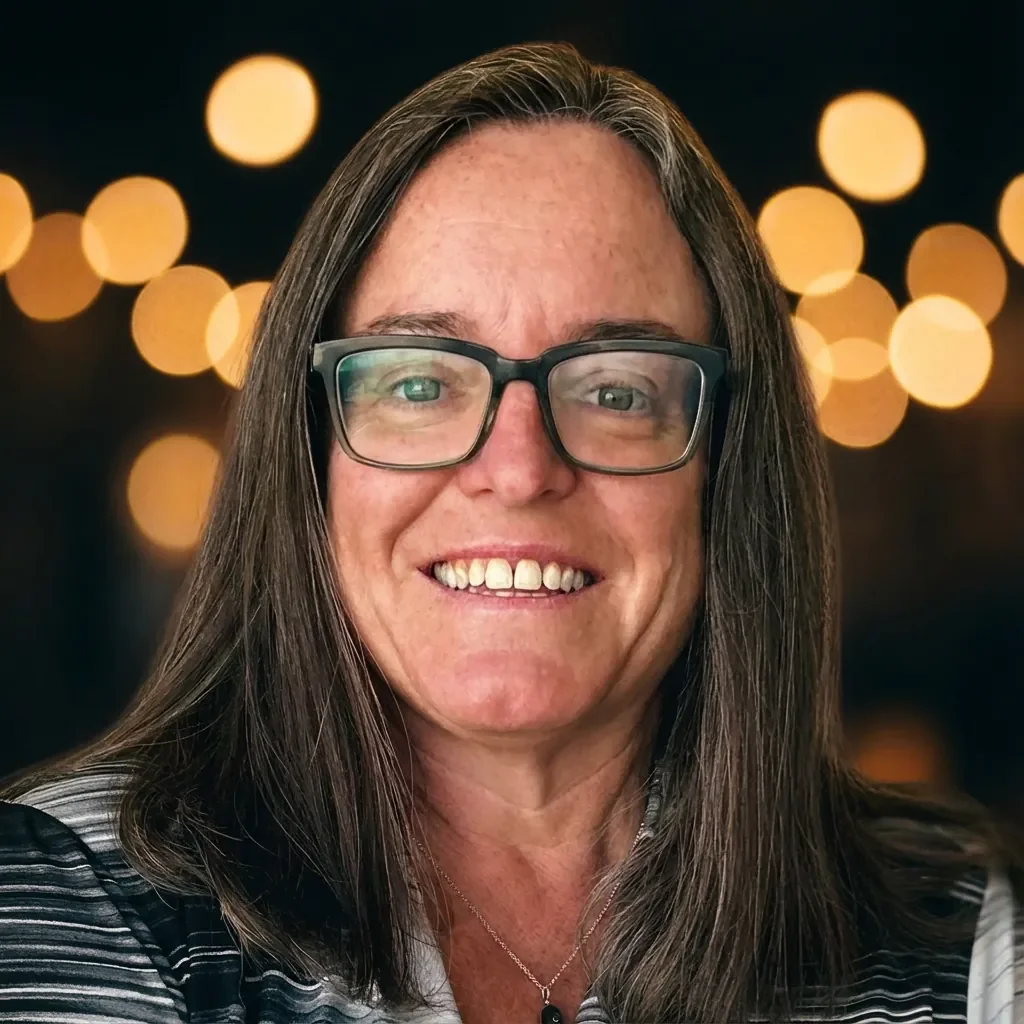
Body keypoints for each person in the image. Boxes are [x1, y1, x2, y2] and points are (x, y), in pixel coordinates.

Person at [0, 42, 1020, 1024]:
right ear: (308, 455)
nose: (520, 469)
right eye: (419, 382)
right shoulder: (63, 912)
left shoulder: (955, 944)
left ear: (728, 468)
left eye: (616, 388)